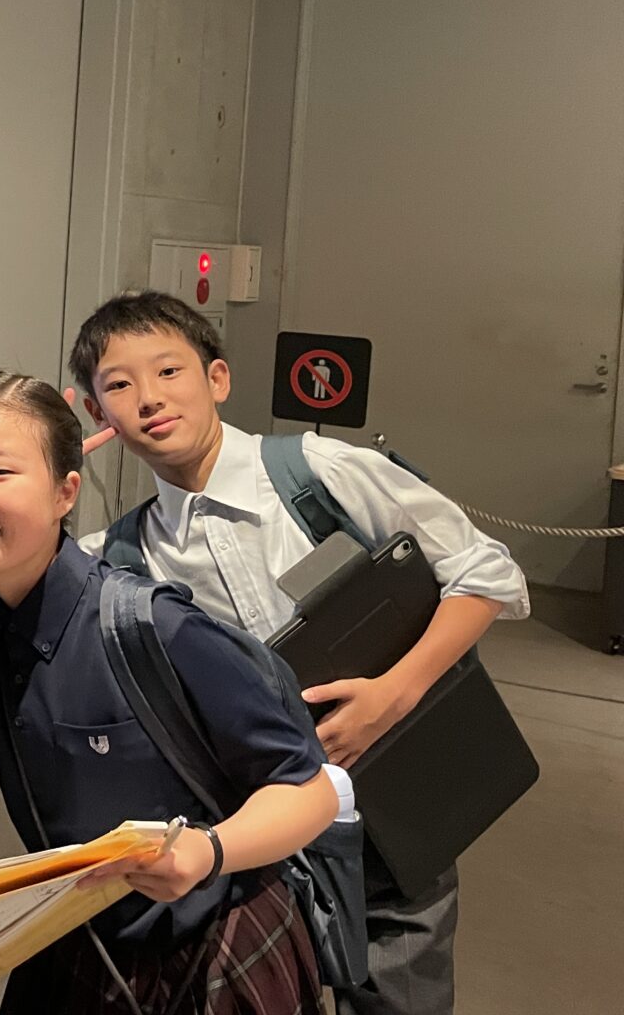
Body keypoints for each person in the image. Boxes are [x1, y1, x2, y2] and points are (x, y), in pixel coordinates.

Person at [69, 290, 530, 1015]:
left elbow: (485, 570)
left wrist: (395, 693)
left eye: (169, 371)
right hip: (262, 835)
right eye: (120, 385)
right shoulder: (126, 554)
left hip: (394, 802)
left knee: (401, 994)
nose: (150, 398)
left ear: (217, 378)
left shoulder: (315, 472)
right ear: (98, 414)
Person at [0, 371, 339, 1014]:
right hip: (77, 943)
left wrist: (208, 850)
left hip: (214, 945)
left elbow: (312, 789)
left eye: (0, 472)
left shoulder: (151, 625)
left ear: (64, 492)